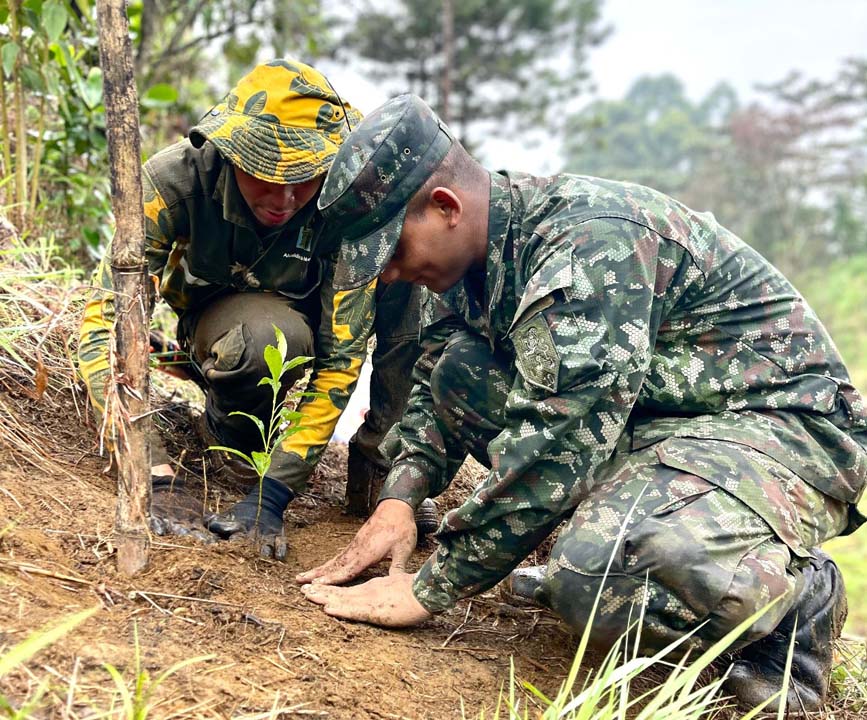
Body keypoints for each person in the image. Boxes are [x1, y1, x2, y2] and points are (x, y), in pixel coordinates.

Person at [297, 94, 867, 712]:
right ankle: (628, 536)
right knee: (463, 369)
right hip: (662, 419)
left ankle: (795, 602)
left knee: (591, 575)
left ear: (445, 208)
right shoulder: (470, 264)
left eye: (392, 253)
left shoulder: (590, 248)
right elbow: (440, 381)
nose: (387, 276)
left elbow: (560, 441)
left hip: (779, 430)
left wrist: (432, 588)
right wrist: (398, 500)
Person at [77, 60, 435, 559]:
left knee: (411, 274)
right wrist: (151, 469)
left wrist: (273, 496)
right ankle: (231, 431)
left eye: (305, 178)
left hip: (317, 325)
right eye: (267, 174)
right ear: (229, 153)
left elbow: (341, 361)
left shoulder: (349, 201)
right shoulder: (173, 182)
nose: (285, 198)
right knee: (266, 337)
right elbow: (103, 328)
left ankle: (382, 469)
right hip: (230, 327)